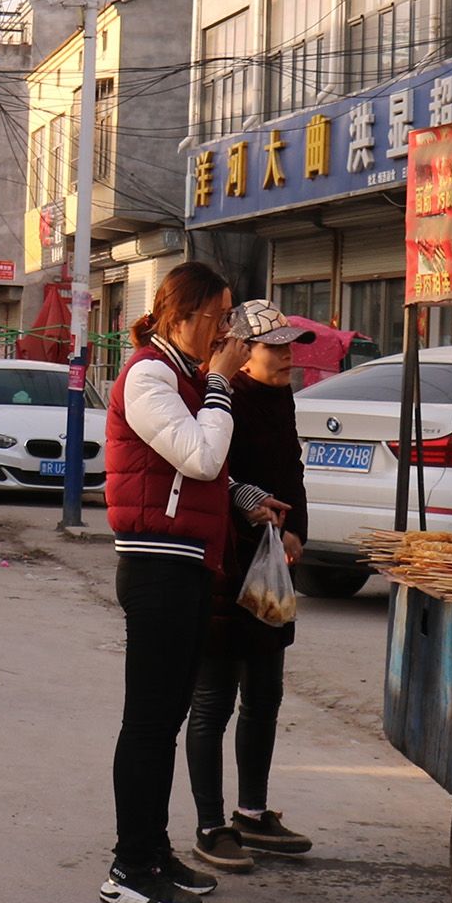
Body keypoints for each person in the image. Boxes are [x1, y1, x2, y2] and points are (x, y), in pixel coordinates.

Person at [97, 262, 287, 903]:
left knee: (168, 720)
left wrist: (244, 497)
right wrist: (224, 387)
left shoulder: (185, 377)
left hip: (186, 564)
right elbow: (199, 454)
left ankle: (153, 851)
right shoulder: (151, 374)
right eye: (221, 315)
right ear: (183, 315)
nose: (230, 329)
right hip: (155, 570)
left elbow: (199, 470)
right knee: (149, 723)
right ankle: (129, 865)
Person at [188, 299, 318, 872]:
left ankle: (252, 812)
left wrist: (298, 533)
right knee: (213, 702)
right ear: (243, 353)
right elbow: (207, 466)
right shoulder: (223, 396)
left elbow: (292, 471)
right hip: (224, 563)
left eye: (291, 346)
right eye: (275, 347)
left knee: (265, 694)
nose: (288, 357)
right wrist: (249, 505)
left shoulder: (279, 399)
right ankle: (211, 826)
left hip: (272, 564)